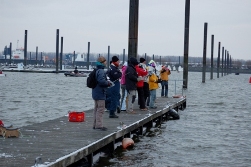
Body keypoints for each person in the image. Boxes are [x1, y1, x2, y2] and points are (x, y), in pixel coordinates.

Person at [92, 56, 112, 131]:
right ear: (102, 62)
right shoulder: (101, 71)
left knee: (96, 109)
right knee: (100, 109)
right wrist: (108, 83)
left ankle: (95, 124)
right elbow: (101, 81)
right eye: (105, 62)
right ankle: (99, 125)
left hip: (95, 92)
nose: (106, 63)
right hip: (100, 92)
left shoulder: (96, 70)